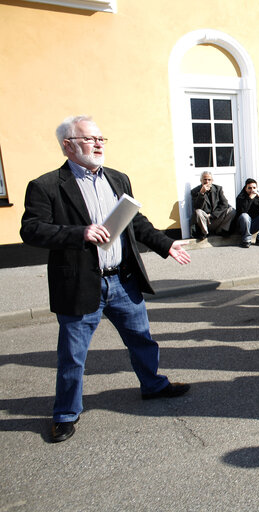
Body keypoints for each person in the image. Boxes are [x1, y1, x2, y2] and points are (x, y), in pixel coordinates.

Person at [20, 115, 192, 443]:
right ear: (68, 145)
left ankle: (153, 386)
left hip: (123, 281)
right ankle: (65, 414)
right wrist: (80, 233)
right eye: (90, 139)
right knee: (73, 354)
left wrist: (165, 244)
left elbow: (135, 222)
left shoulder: (118, 179)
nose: (99, 144)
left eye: (101, 139)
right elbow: (31, 229)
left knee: (142, 339)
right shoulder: (46, 186)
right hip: (81, 283)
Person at [190, 171, 236, 239]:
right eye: (205, 179)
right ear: (201, 180)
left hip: (216, 217)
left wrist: (213, 215)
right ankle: (205, 232)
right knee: (198, 212)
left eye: (209, 180)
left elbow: (224, 204)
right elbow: (197, 207)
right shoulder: (195, 191)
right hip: (204, 220)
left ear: (212, 181)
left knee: (232, 210)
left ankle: (221, 230)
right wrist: (201, 194)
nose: (207, 182)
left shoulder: (218, 189)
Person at [235, 178, 259, 248]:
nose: (252, 190)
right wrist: (250, 198)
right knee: (244, 216)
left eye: (254, 188)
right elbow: (242, 211)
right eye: (249, 188)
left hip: (255, 223)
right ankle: (246, 240)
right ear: (245, 188)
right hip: (244, 225)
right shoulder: (240, 197)